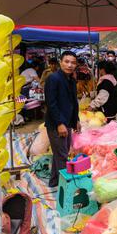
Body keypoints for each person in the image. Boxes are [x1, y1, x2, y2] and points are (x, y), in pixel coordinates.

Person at [44, 51, 80, 188]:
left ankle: (54, 183)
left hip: (67, 122)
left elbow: (72, 102)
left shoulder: (70, 79)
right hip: (56, 124)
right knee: (63, 157)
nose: (70, 65)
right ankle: (66, 188)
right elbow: (51, 103)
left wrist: (76, 120)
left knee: (60, 154)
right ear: (60, 62)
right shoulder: (53, 78)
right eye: (67, 61)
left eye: (73, 62)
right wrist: (59, 123)